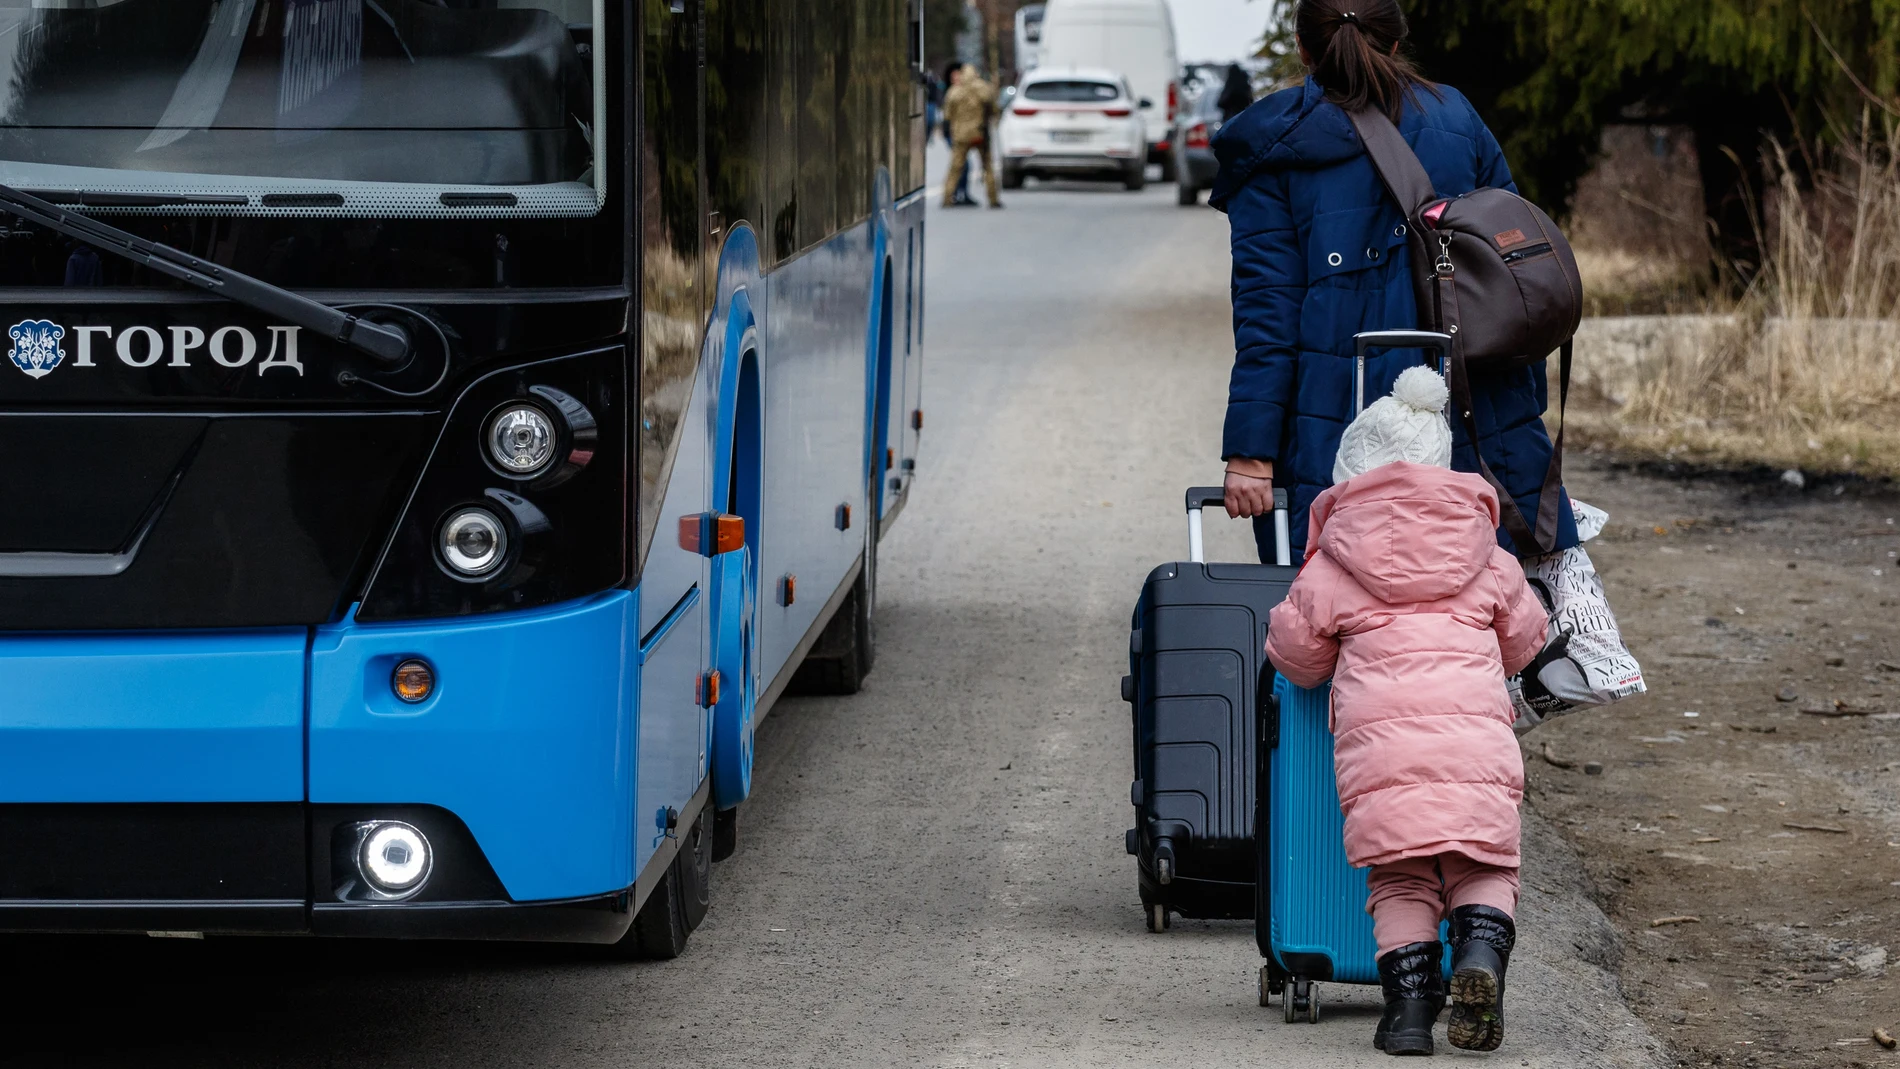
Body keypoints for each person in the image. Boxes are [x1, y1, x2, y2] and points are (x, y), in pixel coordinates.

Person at [1207, 0, 1579, 568]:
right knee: (1480, 602)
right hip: (1472, 408)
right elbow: (1516, 274)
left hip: (1332, 424)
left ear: (1305, 50)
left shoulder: (1272, 147)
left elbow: (1268, 315)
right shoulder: (1457, 118)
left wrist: (1250, 453)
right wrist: (1526, 408)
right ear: (1398, 43)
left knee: (1343, 603)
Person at [1265, 366, 1546, 1056]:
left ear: (1352, 476)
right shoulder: (1487, 555)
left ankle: (1410, 1014)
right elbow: (1525, 640)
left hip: (1384, 762)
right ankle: (1479, 952)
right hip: (1476, 752)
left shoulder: (1333, 564)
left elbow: (1295, 656)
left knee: (1402, 876)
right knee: (1484, 864)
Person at [942, 62, 1002, 209]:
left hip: (961, 135)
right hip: (980, 133)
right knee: (987, 166)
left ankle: (947, 198)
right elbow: (995, 110)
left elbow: (948, 115)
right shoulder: (984, 88)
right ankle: (993, 198)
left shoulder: (955, 91)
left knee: (955, 167)